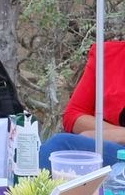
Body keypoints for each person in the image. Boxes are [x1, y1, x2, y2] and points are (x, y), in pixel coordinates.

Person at [40, 41, 125, 169]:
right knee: (55, 150)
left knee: (61, 145)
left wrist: (101, 134)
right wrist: (113, 134)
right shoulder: (109, 54)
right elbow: (74, 114)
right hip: (115, 148)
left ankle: (34, 188)